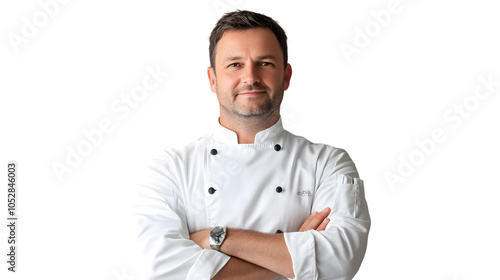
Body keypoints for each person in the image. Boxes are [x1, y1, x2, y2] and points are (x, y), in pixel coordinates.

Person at [132, 10, 370, 280]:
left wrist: (216, 238)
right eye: (235, 64)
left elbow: (338, 264)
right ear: (213, 79)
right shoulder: (170, 169)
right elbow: (163, 269)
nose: (251, 77)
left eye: (265, 63)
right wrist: (295, 260)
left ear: (286, 76)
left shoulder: (328, 163)